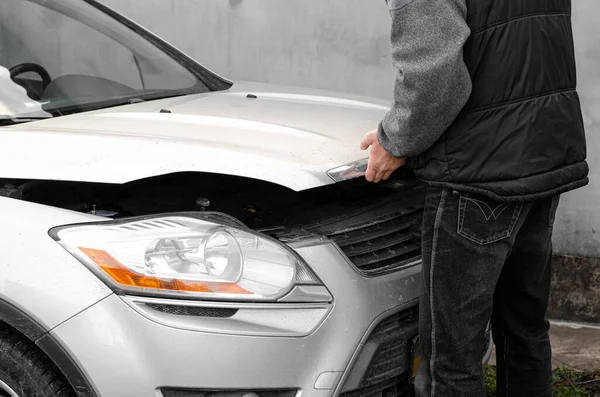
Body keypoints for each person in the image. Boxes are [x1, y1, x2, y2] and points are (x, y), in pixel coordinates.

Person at [360, 1, 588, 396]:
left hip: (477, 174)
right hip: (542, 156)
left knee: (451, 360)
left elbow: (436, 80)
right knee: (525, 334)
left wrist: (393, 141)